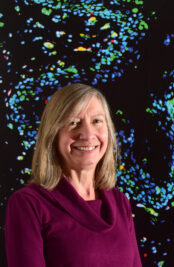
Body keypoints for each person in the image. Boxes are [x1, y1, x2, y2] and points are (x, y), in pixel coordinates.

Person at [5, 83, 142, 267]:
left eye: (97, 121)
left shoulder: (120, 202)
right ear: (53, 134)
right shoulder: (28, 204)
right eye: (73, 123)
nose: (87, 134)